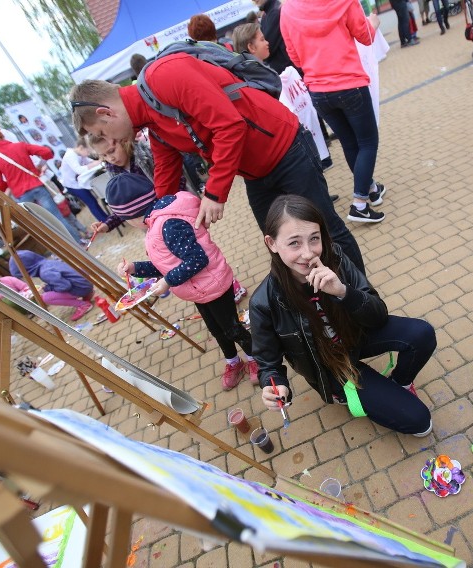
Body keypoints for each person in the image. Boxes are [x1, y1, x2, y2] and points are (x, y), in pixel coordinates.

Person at [69, 55, 366, 274]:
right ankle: (322, 303)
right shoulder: (150, 118)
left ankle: (363, 302)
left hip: (284, 148)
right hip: (255, 172)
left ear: (105, 113)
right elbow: (166, 169)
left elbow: (230, 126)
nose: (109, 143)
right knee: (276, 243)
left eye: (101, 134)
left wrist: (214, 193)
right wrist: (157, 222)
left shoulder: (165, 76)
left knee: (325, 231)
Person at [251, 195, 436, 436]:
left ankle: (399, 382)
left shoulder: (335, 257)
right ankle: (344, 393)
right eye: (294, 243)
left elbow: (378, 315)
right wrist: (274, 387)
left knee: (422, 333)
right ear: (272, 243)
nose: (307, 253)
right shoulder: (263, 303)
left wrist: (343, 292)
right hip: (330, 366)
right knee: (421, 423)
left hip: (356, 337)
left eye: (314, 239)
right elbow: (268, 364)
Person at [109, 173, 258, 389]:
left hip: (213, 285)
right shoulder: (156, 223)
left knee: (232, 328)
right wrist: (135, 267)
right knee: (217, 330)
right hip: (198, 290)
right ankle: (233, 361)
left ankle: (256, 359)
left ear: (131, 216)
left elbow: (198, 259)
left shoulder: (168, 225)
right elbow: (165, 264)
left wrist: (168, 281)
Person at [280, 0, 388, 224]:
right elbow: (365, 36)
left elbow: (295, 56)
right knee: (368, 142)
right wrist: (373, 23)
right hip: (350, 83)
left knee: (350, 144)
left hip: (318, 90)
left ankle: (371, 189)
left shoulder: (288, 8)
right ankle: (359, 204)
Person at [0, 124, 89, 245]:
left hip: (21, 194)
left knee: (41, 224)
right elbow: (47, 152)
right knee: (57, 216)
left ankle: (65, 247)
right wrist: (39, 167)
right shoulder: (19, 146)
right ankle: (78, 242)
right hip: (37, 185)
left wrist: (11, 181)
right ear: (1, 135)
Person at [10, 250, 95, 321]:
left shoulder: (45, 272)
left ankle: (83, 305)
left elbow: (64, 286)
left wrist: (48, 288)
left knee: (46, 298)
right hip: (85, 283)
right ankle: (88, 293)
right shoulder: (48, 262)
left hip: (80, 287)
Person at [59, 139, 109, 223]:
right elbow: (79, 170)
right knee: (91, 202)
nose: (88, 154)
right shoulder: (70, 155)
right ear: (81, 148)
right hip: (72, 185)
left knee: (93, 201)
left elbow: (90, 162)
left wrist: (98, 162)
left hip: (78, 182)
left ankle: (106, 219)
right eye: (88, 151)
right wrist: (96, 163)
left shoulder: (79, 154)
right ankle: (104, 221)